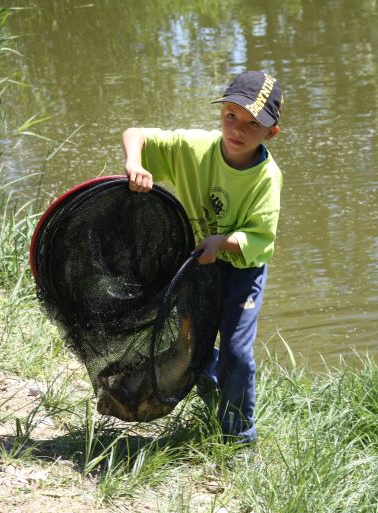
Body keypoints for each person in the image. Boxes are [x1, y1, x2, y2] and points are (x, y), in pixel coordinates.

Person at [122, 70, 284, 444]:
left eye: (252, 124)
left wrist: (222, 243)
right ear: (221, 114)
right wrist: (136, 164)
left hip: (242, 268)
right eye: (231, 116)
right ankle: (213, 381)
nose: (238, 129)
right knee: (191, 343)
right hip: (196, 264)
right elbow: (136, 135)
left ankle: (240, 437)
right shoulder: (195, 147)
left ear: (271, 133)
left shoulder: (267, 177)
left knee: (238, 352)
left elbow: (261, 237)